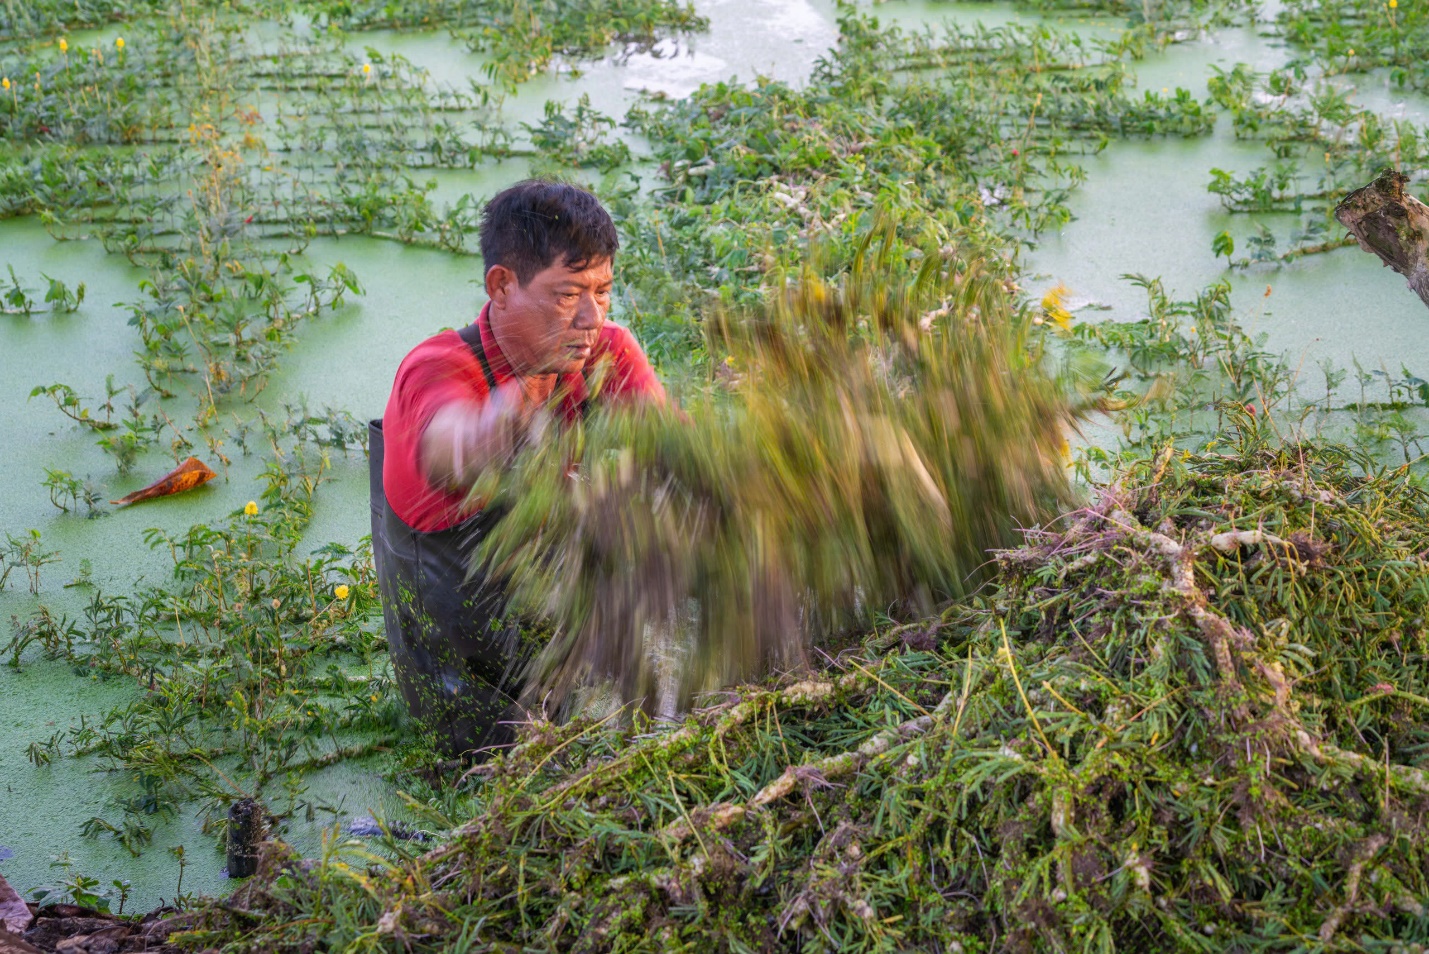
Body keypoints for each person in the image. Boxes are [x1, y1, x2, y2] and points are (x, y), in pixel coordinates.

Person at [367, 180, 666, 757]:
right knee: (481, 772)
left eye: (603, 292)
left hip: (544, 602)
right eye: (567, 294)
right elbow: (449, 445)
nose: (591, 317)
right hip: (453, 648)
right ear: (502, 286)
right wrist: (504, 422)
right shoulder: (436, 370)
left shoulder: (605, 350)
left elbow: (672, 447)